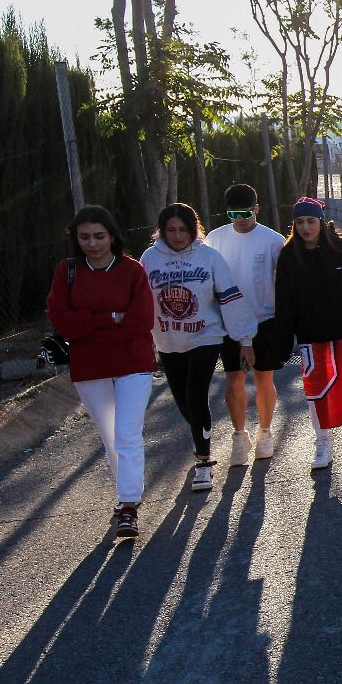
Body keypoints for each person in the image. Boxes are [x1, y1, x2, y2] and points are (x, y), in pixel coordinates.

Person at [47, 205, 156, 540]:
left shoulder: (132, 270)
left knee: (127, 434)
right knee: (110, 438)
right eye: (84, 237)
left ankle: (128, 505)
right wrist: (110, 318)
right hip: (90, 366)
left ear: (112, 236)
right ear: (75, 239)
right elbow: (61, 320)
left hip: (133, 362)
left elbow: (141, 321)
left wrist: (87, 322)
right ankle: (126, 494)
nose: (92, 243)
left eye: (99, 236)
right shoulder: (67, 271)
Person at [141, 203, 258, 494]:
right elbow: (140, 303)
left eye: (183, 229)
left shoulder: (209, 257)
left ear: (194, 230)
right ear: (161, 231)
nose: (177, 235)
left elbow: (230, 298)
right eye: (171, 230)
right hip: (168, 341)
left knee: (196, 397)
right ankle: (201, 433)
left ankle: (203, 462)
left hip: (206, 337)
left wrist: (245, 340)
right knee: (184, 403)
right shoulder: (150, 259)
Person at [275, 197, 342, 469]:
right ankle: (322, 442)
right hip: (311, 335)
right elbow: (283, 300)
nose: (305, 227)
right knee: (316, 389)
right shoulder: (289, 256)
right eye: (299, 222)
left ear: (321, 222)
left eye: (310, 221)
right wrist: (283, 340)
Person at [205, 183, 289, 466]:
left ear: (256, 209)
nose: (239, 219)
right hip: (228, 321)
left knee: (264, 378)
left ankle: (265, 432)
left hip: (263, 320)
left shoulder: (273, 240)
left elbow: (285, 278)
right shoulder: (214, 239)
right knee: (234, 380)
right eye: (232, 213)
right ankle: (239, 435)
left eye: (244, 212)